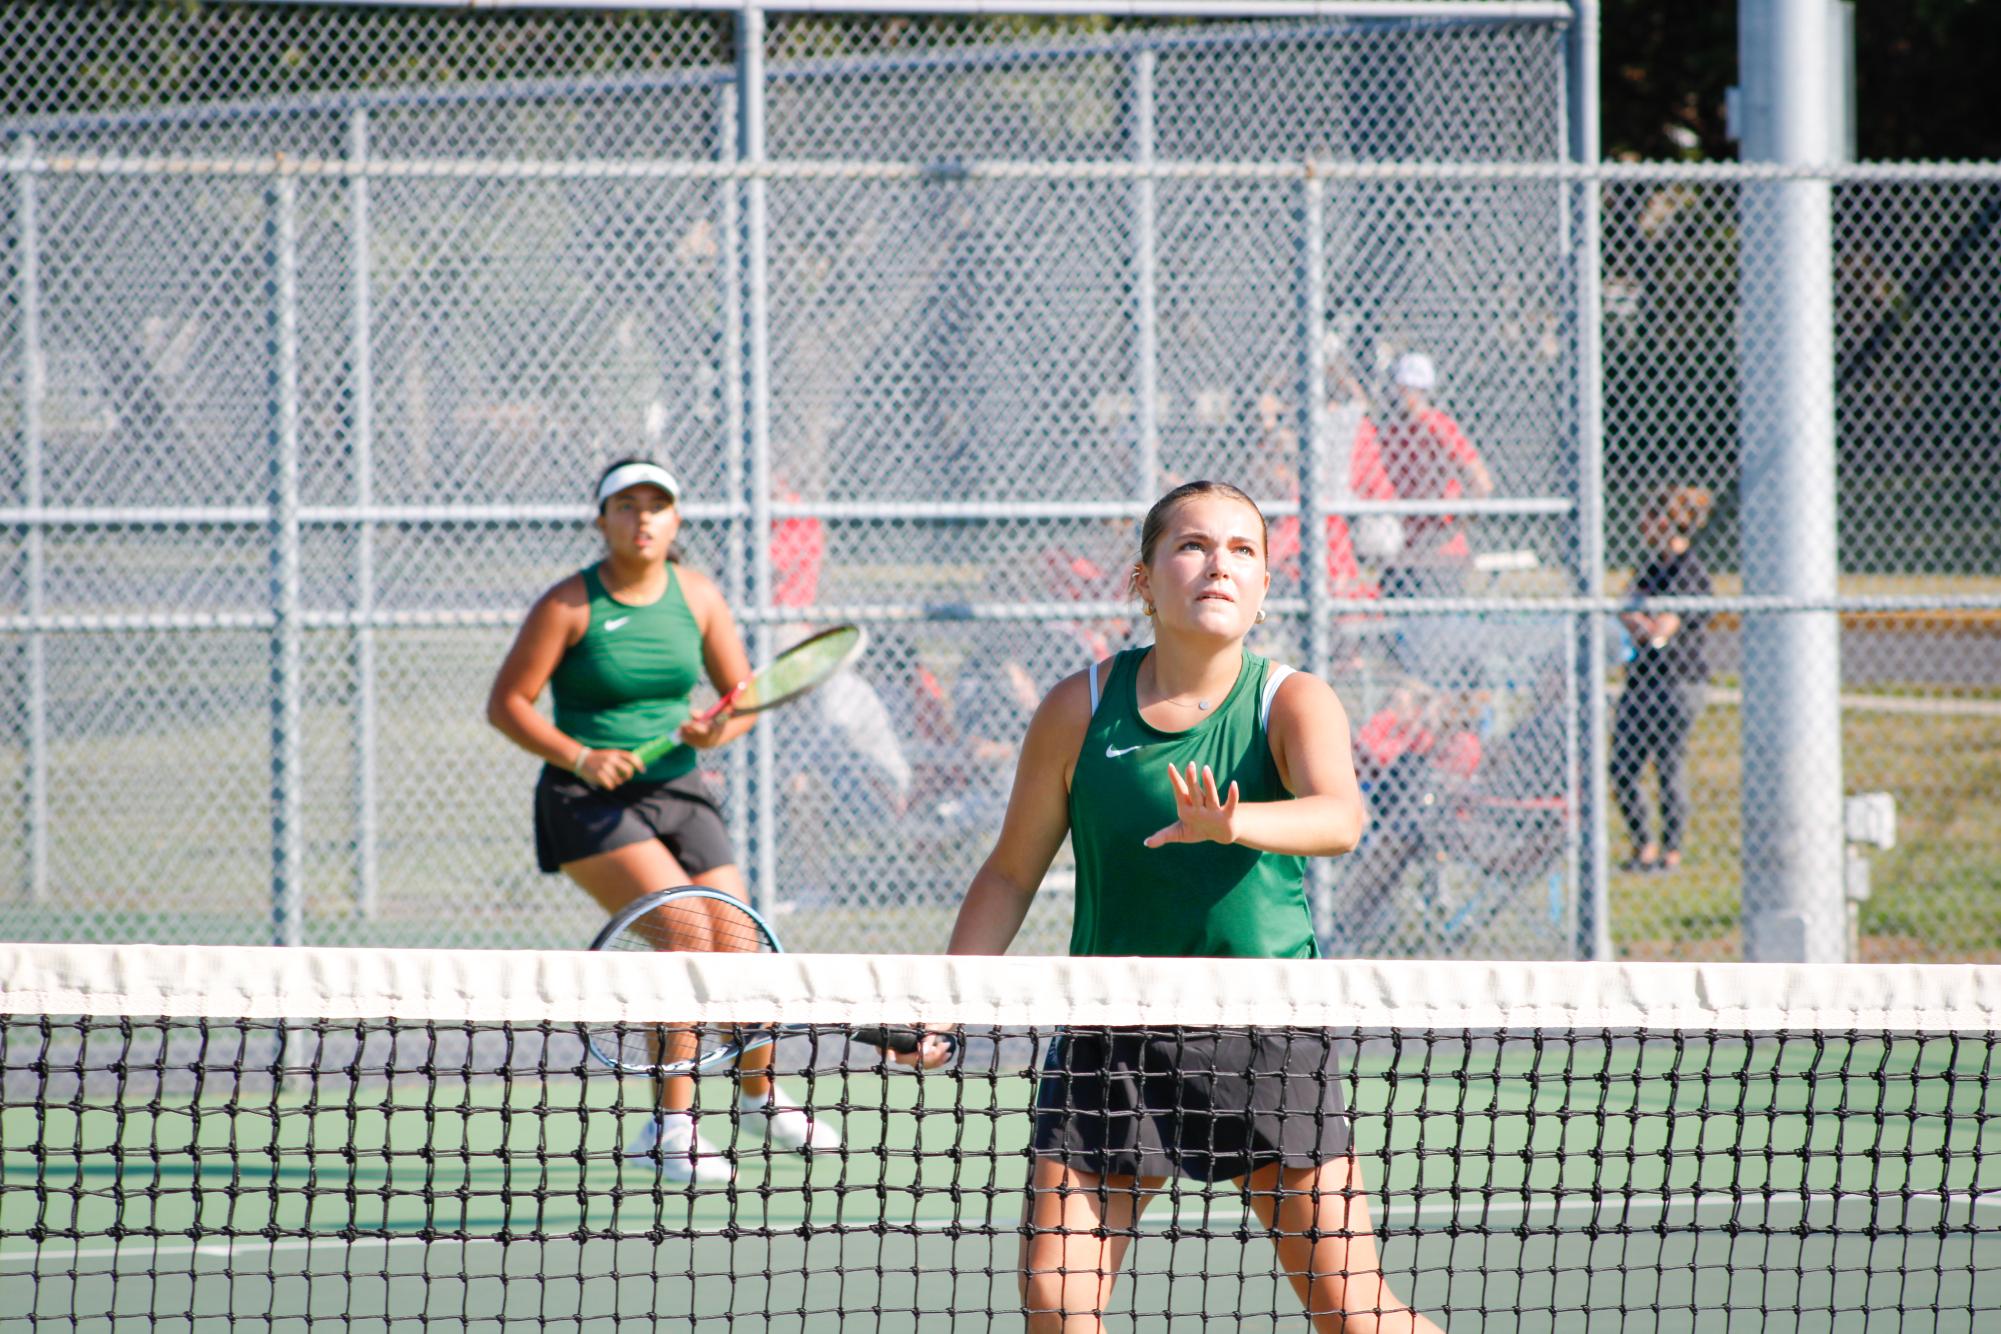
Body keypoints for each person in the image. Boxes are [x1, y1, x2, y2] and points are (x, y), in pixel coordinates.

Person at [899, 480, 1444, 1334]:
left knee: (1353, 1313)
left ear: (1263, 589)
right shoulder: (1076, 708)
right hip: (1111, 1031)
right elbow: (1008, 873)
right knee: (1056, 1297)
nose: (1217, 566)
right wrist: (945, 1002)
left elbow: (1340, 816)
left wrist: (1233, 824)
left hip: (1267, 1030)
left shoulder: (1292, 701)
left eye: (1242, 552)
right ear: (1143, 580)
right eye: (1191, 546)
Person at [486, 457, 838, 1184]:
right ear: (602, 519)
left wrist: (717, 732)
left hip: (678, 792)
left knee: (742, 940)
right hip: (586, 804)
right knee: (682, 930)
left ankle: (758, 1096)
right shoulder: (568, 606)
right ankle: (670, 1126)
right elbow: (508, 704)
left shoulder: (699, 596)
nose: (642, 517)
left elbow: (737, 702)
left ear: (675, 519)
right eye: (626, 505)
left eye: (657, 505)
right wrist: (581, 755)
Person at [1362, 353, 1493, 687]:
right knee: (1399, 643)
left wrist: (1455, 528)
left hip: (1439, 554)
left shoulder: (1434, 424)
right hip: (1406, 551)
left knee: (1436, 646)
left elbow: (1480, 482)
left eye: (1408, 388)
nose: (1401, 395)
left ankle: (1439, 704)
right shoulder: (1391, 431)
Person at [1611, 486, 1715, 874]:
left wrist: (1645, 623)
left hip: (1677, 683)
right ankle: (1644, 848)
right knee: (1623, 769)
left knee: (1668, 765)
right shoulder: (1651, 568)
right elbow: (1626, 609)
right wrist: (1638, 620)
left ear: (1668, 522)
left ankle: (1671, 853)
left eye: (1649, 516)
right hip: (1640, 681)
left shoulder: (1690, 573)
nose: (1641, 524)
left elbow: (1660, 630)